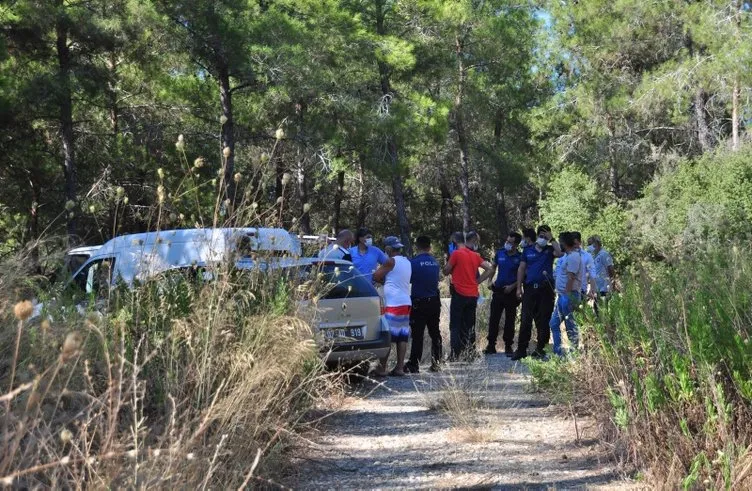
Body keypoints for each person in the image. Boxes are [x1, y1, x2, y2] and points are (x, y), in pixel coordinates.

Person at [512, 226, 563, 361]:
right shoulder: (527, 251)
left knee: (543, 320)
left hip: (545, 290)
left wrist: (552, 239)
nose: (543, 238)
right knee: (525, 320)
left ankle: (541, 349)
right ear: (537, 235)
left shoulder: (550, 250)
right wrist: (518, 287)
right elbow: (521, 269)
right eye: (541, 235)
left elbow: (560, 253)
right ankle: (522, 349)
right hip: (529, 289)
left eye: (545, 237)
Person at [444, 231, 494, 361]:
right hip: (472, 295)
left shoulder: (455, 254)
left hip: (459, 294)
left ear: (455, 242)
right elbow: (489, 269)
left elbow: (446, 271)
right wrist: (477, 281)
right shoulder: (475, 255)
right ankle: (470, 353)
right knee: (469, 325)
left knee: (455, 325)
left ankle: (455, 355)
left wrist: (449, 258)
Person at [373, 236, 412, 376]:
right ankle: (399, 367)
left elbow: (376, 275)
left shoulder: (390, 261)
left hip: (394, 304)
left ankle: (382, 368)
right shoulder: (407, 261)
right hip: (406, 302)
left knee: (388, 336)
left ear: (388, 249)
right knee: (402, 336)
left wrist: (382, 280)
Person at [406, 236, 442, 373]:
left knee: (417, 334)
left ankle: (414, 364)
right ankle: (437, 362)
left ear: (417, 247)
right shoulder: (435, 262)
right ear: (429, 247)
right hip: (434, 301)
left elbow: (409, 280)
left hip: (419, 302)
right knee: (435, 333)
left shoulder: (413, 263)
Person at [485, 232, 523, 356]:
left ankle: (508, 345)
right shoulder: (500, 253)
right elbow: (493, 267)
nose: (507, 244)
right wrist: (490, 280)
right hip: (498, 290)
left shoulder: (520, 257)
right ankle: (491, 345)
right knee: (494, 319)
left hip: (511, 292)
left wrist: (513, 286)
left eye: (510, 242)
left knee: (510, 320)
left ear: (516, 244)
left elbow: (523, 275)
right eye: (507, 241)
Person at [550, 232, 583, 357]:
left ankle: (574, 354)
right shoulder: (567, 256)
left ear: (565, 243)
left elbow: (571, 278)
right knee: (553, 323)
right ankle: (557, 352)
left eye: (560, 242)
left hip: (569, 295)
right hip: (562, 296)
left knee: (570, 325)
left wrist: (568, 295)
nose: (560, 244)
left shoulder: (574, 257)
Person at [587, 235, 616, 313]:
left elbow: (611, 270)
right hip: (598, 289)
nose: (589, 247)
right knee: (597, 311)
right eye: (588, 244)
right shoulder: (595, 257)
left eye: (590, 244)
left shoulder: (604, 254)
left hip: (604, 288)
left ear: (596, 243)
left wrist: (612, 285)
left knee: (602, 312)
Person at [572, 231, 597, 300]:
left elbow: (592, 273)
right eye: (572, 244)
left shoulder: (587, 256)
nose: (574, 246)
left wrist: (592, 289)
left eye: (575, 244)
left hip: (581, 290)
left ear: (580, 242)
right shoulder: (564, 255)